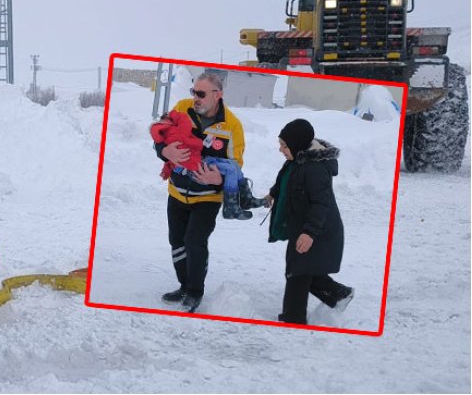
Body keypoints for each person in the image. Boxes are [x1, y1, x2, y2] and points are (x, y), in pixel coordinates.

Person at [153, 70, 248, 313]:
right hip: (177, 192)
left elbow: (236, 168)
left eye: (201, 94)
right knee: (177, 241)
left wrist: (218, 179)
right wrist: (164, 151)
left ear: (218, 94)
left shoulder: (232, 126)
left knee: (195, 241)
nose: (195, 98)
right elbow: (160, 134)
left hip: (208, 198)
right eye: (194, 91)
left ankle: (195, 292)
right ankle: (184, 286)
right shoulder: (182, 108)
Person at [266, 119, 354, 325]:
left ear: (296, 144)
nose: (280, 149)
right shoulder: (296, 161)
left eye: (284, 145)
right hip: (302, 227)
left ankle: (293, 318)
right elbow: (286, 180)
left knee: (298, 272)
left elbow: (321, 204)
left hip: (316, 230)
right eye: (280, 144)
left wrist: (309, 233)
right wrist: (273, 194)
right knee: (302, 269)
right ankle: (339, 294)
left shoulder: (314, 169)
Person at [150, 110, 266, 220]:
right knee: (231, 169)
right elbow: (188, 129)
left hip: (197, 161)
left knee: (234, 165)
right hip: (194, 167)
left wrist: (166, 169)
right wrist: (176, 115)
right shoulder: (173, 132)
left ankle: (246, 199)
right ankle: (231, 208)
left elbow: (171, 158)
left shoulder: (167, 134)